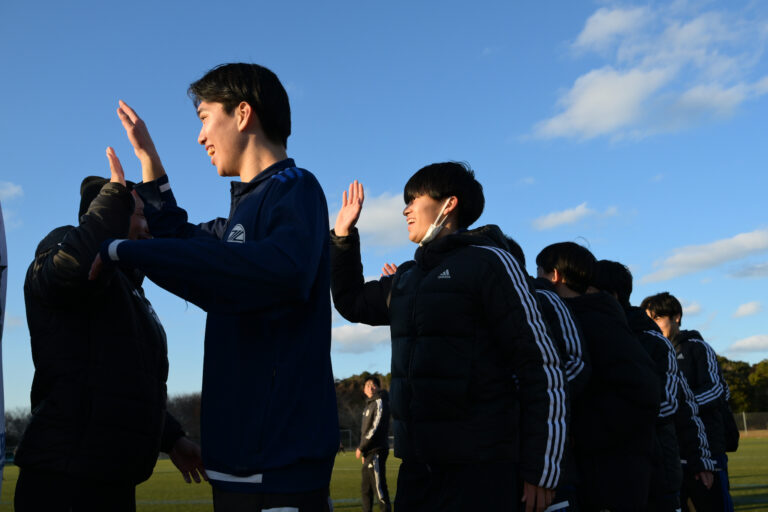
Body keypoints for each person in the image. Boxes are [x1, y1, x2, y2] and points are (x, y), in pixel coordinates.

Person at [90, 63, 339, 511]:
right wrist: (149, 161)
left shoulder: (296, 188)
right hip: (236, 465)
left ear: (243, 114)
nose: (200, 136)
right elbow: (183, 241)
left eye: (205, 118)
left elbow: (274, 271)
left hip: (280, 466)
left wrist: (121, 251)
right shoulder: (244, 213)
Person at [331, 164, 567, 512]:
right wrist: (343, 236)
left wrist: (541, 469)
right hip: (416, 468)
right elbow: (351, 302)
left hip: (480, 470)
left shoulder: (490, 263)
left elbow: (540, 365)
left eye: (414, 199)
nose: (405, 210)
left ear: (449, 204)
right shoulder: (406, 278)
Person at [14, 153, 205, 512]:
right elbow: (70, 270)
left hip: (111, 478)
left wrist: (171, 438)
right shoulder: (63, 247)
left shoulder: (130, 290)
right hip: (65, 482)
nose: (149, 227)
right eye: (140, 214)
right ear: (111, 214)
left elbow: (122, 380)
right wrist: (113, 204)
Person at [535, 242, 659, 512]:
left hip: (612, 472)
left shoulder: (593, 321)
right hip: (607, 466)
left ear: (555, 275)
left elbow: (644, 391)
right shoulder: (597, 317)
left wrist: (582, 433)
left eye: (539, 272)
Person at [595, 260, 715, 511]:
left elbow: (695, 398)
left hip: (660, 464)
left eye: (660, 317)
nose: (656, 323)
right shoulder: (601, 333)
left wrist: (701, 458)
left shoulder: (685, 346)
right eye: (653, 317)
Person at [641, 292, 736, 512]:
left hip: (708, 451)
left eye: (658, 318)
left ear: (676, 317)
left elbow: (717, 390)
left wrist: (680, 405)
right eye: (649, 320)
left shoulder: (697, 347)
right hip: (673, 453)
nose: (654, 325)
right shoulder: (653, 352)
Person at [357, 375, 391, 512]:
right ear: (364, 390)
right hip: (368, 452)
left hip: (377, 451)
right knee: (366, 489)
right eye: (367, 385)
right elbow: (364, 431)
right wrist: (364, 452)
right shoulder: (368, 405)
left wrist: (361, 447)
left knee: (379, 487)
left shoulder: (379, 402)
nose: (370, 388)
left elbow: (374, 428)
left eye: (373, 385)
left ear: (378, 387)